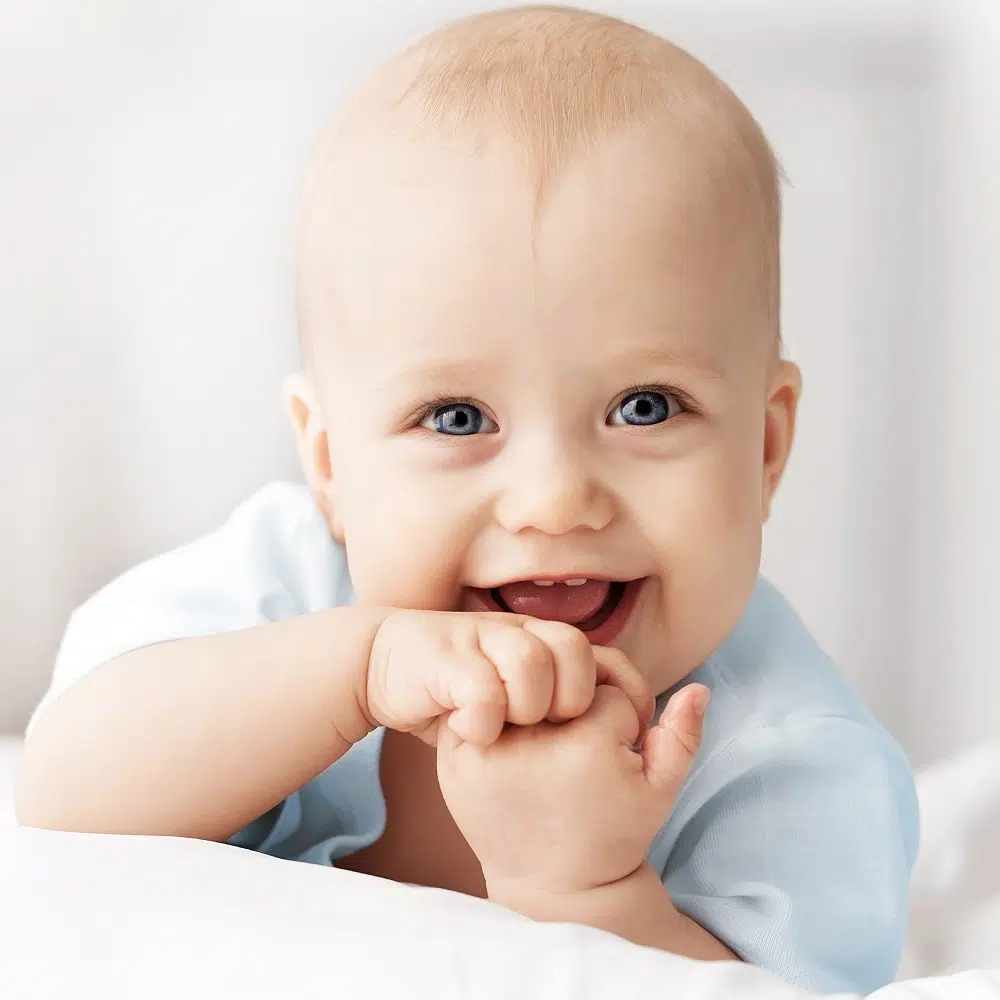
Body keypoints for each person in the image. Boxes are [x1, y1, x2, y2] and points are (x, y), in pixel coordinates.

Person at [15, 6, 918, 993]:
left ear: (764, 445)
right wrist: (356, 670)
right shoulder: (282, 589)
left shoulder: (790, 766)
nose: (554, 500)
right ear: (328, 464)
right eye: (454, 417)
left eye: (644, 406)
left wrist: (585, 886)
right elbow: (65, 788)